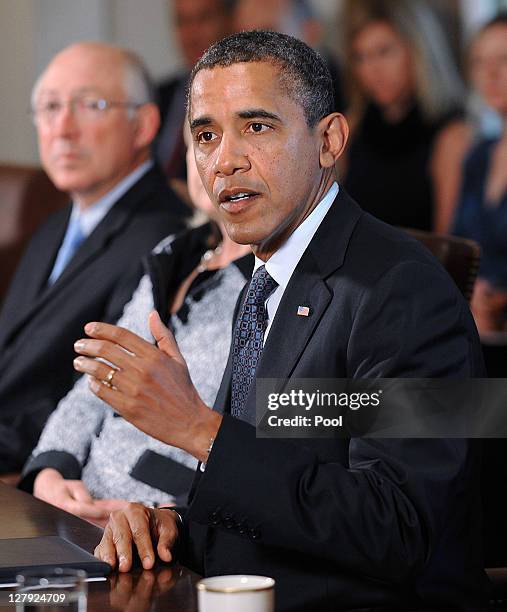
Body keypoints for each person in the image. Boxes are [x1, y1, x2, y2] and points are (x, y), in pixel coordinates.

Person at [82, 32, 486, 610]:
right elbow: (284, 472)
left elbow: (399, 528)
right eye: (206, 135)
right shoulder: (269, 279)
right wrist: (172, 526)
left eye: (258, 126)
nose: (225, 160)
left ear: (329, 140)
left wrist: (199, 429)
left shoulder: (408, 291)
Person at [19, 141, 251, 527]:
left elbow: (271, 442)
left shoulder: (277, 286)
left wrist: (172, 517)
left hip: (163, 529)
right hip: (75, 508)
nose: (218, 163)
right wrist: (51, 470)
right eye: (203, 137)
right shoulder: (176, 254)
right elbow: (98, 379)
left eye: (246, 134)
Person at [0, 42, 189, 474]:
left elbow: (93, 396)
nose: (62, 127)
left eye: (91, 105)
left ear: (143, 126)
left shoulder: (164, 236)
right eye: (49, 107)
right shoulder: (55, 224)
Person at [341, 0, 470, 233]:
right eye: (361, 57)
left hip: (417, 267)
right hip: (352, 266)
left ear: (418, 52)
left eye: (384, 52)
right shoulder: (352, 127)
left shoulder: (450, 134)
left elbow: (447, 245)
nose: (373, 70)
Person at [453, 14, 507, 337]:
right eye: (479, 62)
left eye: (503, 59)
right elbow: (456, 247)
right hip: (475, 329)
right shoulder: (478, 155)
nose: (491, 74)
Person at [156, 0, 232, 179]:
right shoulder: (159, 94)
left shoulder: (243, 95)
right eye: (183, 21)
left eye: (203, 19)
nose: (192, 33)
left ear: (228, 20)